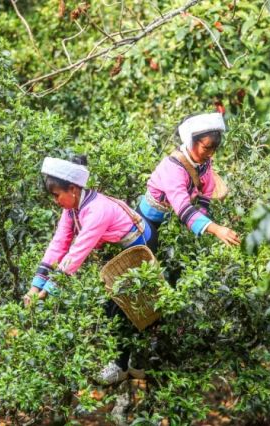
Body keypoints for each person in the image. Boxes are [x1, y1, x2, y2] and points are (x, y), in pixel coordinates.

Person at [25, 155, 152, 385]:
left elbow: (76, 253)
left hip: (139, 246)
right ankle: (131, 359)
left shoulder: (96, 210)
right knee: (111, 306)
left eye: (56, 195)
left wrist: (49, 289)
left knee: (121, 307)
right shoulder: (72, 209)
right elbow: (58, 244)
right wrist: (36, 285)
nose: (55, 201)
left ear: (72, 189)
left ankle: (124, 365)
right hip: (118, 251)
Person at [137, 112, 240, 253]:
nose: (211, 154)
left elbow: (207, 188)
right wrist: (216, 229)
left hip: (173, 218)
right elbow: (182, 207)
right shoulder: (173, 167)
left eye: (214, 149)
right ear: (191, 141)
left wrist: (203, 215)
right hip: (150, 218)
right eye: (206, 148)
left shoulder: (204, 161)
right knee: (151, 249)